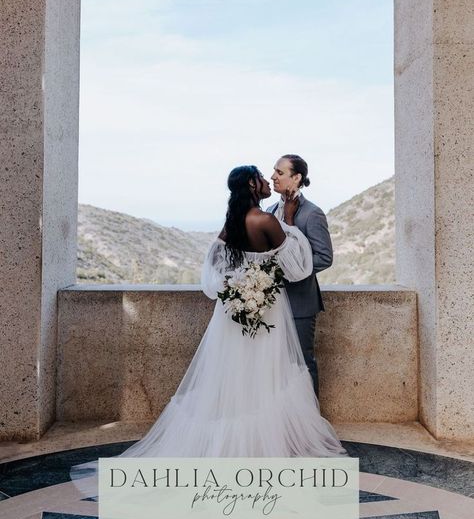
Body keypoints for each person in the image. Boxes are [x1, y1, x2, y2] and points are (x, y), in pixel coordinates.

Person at [70, 165, 346, 498]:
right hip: (268, 308)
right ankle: (270, 446)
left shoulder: (231, 226)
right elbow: (298, 266)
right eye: (262, 176)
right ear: (251, 184)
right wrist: (288, 224)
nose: (267, 180)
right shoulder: (268, 221)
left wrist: (239, 288)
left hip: (231, 314)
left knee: (233, 377)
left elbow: (212, 271)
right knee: (268, 375)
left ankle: (228, 445)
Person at [268, 155, 332, 398]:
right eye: (274, 171)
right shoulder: (271, 210)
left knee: (302, 363)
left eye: (280, 172)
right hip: (272, 304)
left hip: (300, 304)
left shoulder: (312, 214)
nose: (273, 176)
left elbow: (324, 257)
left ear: (297, 178)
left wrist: (290, 270)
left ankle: (310, 421)